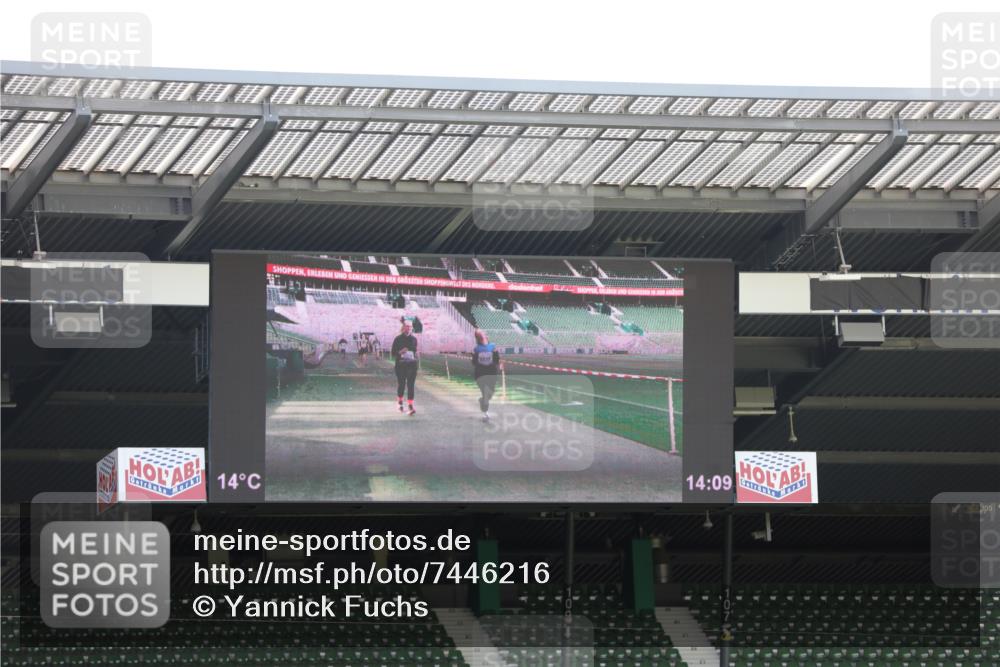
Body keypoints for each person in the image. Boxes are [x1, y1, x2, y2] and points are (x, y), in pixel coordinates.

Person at [471, 329, 501, 422]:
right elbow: (474, 362)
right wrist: (475, 356)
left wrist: (496, 355)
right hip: (480, 373)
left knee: (490, 393)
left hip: (491, 372)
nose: (482, 334)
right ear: (478, 337)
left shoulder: (492, 346)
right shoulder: (477, 349)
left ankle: (483, 401)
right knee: (485, 393)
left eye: (482, 333)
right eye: (479, 334)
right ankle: (485, 413)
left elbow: (496, 360)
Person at [391, 320, 419, 416]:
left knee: (411, 385)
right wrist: (400, 352)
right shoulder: (397, 339)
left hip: (412, 366)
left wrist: (416, 355)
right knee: (401, 384)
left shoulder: (414, 339)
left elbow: (414, 351)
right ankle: (400, 403)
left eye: (410, 327)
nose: (409, 328)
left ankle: (410, 405)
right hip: (401, 366)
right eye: (407, 326)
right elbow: (393, 353)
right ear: (403, 327)